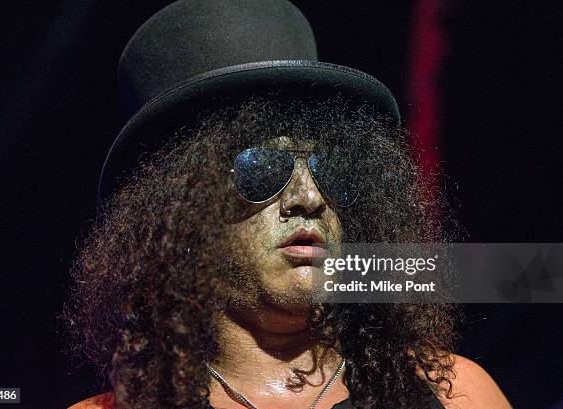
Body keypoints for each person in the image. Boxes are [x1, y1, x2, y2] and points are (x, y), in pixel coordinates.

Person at [64, 1, 512, 408]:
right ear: (180, 211)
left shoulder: (458, 395)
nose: (309, 197)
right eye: (262, 169)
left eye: (328, 168)